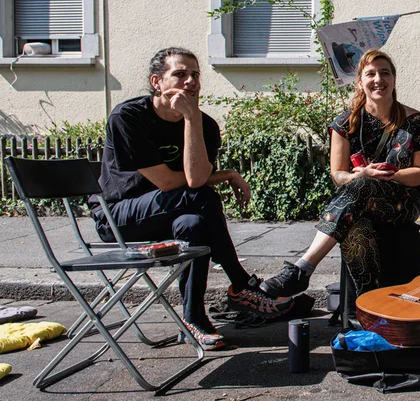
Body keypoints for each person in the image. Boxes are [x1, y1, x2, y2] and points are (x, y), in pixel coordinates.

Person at [93, 48, 294, 351]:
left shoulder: (205, 126)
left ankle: (194, 319)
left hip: (174, 213)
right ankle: (240, 284)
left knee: (195, 223)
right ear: (157, 82)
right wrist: (226, 174)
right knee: (200, 197)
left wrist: (190, 119)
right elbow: (170, 182)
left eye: (196, 75)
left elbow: (195, 178)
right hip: (120, 216)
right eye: (180, 74)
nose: (191, 81)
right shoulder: (129, 117)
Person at [260, 49, 420, 299]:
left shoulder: (414, 120)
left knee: (363, 184)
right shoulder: (345, 123)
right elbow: (338, 175)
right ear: (360, 82)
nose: (378, 79)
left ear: (394, 80)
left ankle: (303, 268)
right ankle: (368, 305)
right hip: (358, 204)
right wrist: (360, 174)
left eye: (385, 73)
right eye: (370, 74)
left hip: (401, 202)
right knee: (357, 229)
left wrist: (386, 175)